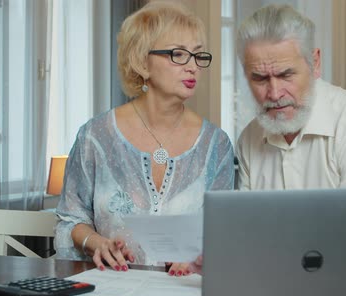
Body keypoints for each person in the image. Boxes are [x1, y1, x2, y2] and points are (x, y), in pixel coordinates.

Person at [54, 1, 235, 276]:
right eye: (178, 54)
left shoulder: (216, 145)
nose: (193, 67)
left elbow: (223, 231)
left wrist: (198, 256)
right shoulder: (95, 136)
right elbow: (70, 220)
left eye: (198, 56)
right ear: (142, 61)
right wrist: (96, 242)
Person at [235, 4, 346, 190]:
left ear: (315, 63)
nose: (274, 93)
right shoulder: (248, 139)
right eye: (260, 78)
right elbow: (247, 219)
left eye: (286, 75)